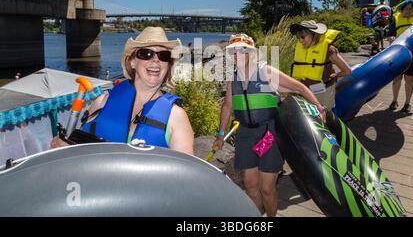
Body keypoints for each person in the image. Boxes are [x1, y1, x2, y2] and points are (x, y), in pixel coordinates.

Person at [214, 33, 325, 217]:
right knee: (250, 185)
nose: (237, 55)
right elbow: (227, 106)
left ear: (251, 52)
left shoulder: (266, 72)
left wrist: (319, 108)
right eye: (233, 52)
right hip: (245, 136)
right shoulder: (232, 79)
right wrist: (220, 135)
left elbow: (299, 87)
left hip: (268, 134)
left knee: (267, 188)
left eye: (242, 50)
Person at [50, 27, 194, 155]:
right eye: (146, 54)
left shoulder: (176, 117)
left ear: (168, 65)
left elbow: (184, 178)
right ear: (132, 62)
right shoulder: (102, 102)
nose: (156, 60)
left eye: (163, 56)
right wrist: (65, 148)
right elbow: (81, 152)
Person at [289, 20, 352, 109]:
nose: (300, 40)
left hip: (322, 93)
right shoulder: (302, 49)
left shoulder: (328, 49)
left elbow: (347, 71)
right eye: (298, 37)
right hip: (304, 92)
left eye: (303, 37)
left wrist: (335, 76)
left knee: (324, 119)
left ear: (313, 34)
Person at [387, 0, 413, 113]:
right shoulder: (396, 19)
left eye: (411, 9)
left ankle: (407, 103)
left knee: (409, 79)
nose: (408, 11)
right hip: (398, 53)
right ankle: (394, 101)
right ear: (403, 9)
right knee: (397, 78)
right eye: (406, 8)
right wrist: (391, 38)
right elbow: (390, 34)